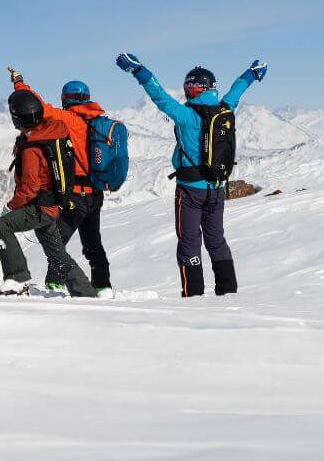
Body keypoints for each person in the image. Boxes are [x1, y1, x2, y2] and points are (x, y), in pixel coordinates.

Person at [114, 53, 269, 297]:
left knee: (189, 244)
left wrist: (138, 70)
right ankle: (228, 294)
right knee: (217, 241)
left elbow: (159, 96)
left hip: (189, 190)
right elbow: (237, 90)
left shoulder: (187, 115)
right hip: (217, 189)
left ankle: (193, 298)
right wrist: (253, 73)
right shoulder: (225, 109)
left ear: (193, 89)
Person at [0, 87, 97, 297]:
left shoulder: (32, 148)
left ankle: (16, 278)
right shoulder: (51, 134)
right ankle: (86, 292)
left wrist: (10, 207)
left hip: (40, 208)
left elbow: (29, 187)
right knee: (57, 254)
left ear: (17, 118)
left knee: (2, 226)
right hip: (51, 206)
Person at [58, 80, 119, 293]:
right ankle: (103, 284)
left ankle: (54, 282)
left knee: (56, 241)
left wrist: (19, 84)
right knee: (93, 243)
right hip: (96, 195)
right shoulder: (97, 121)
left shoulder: (69, 119)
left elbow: (42, 109)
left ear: (65, 98)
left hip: (76, 195)